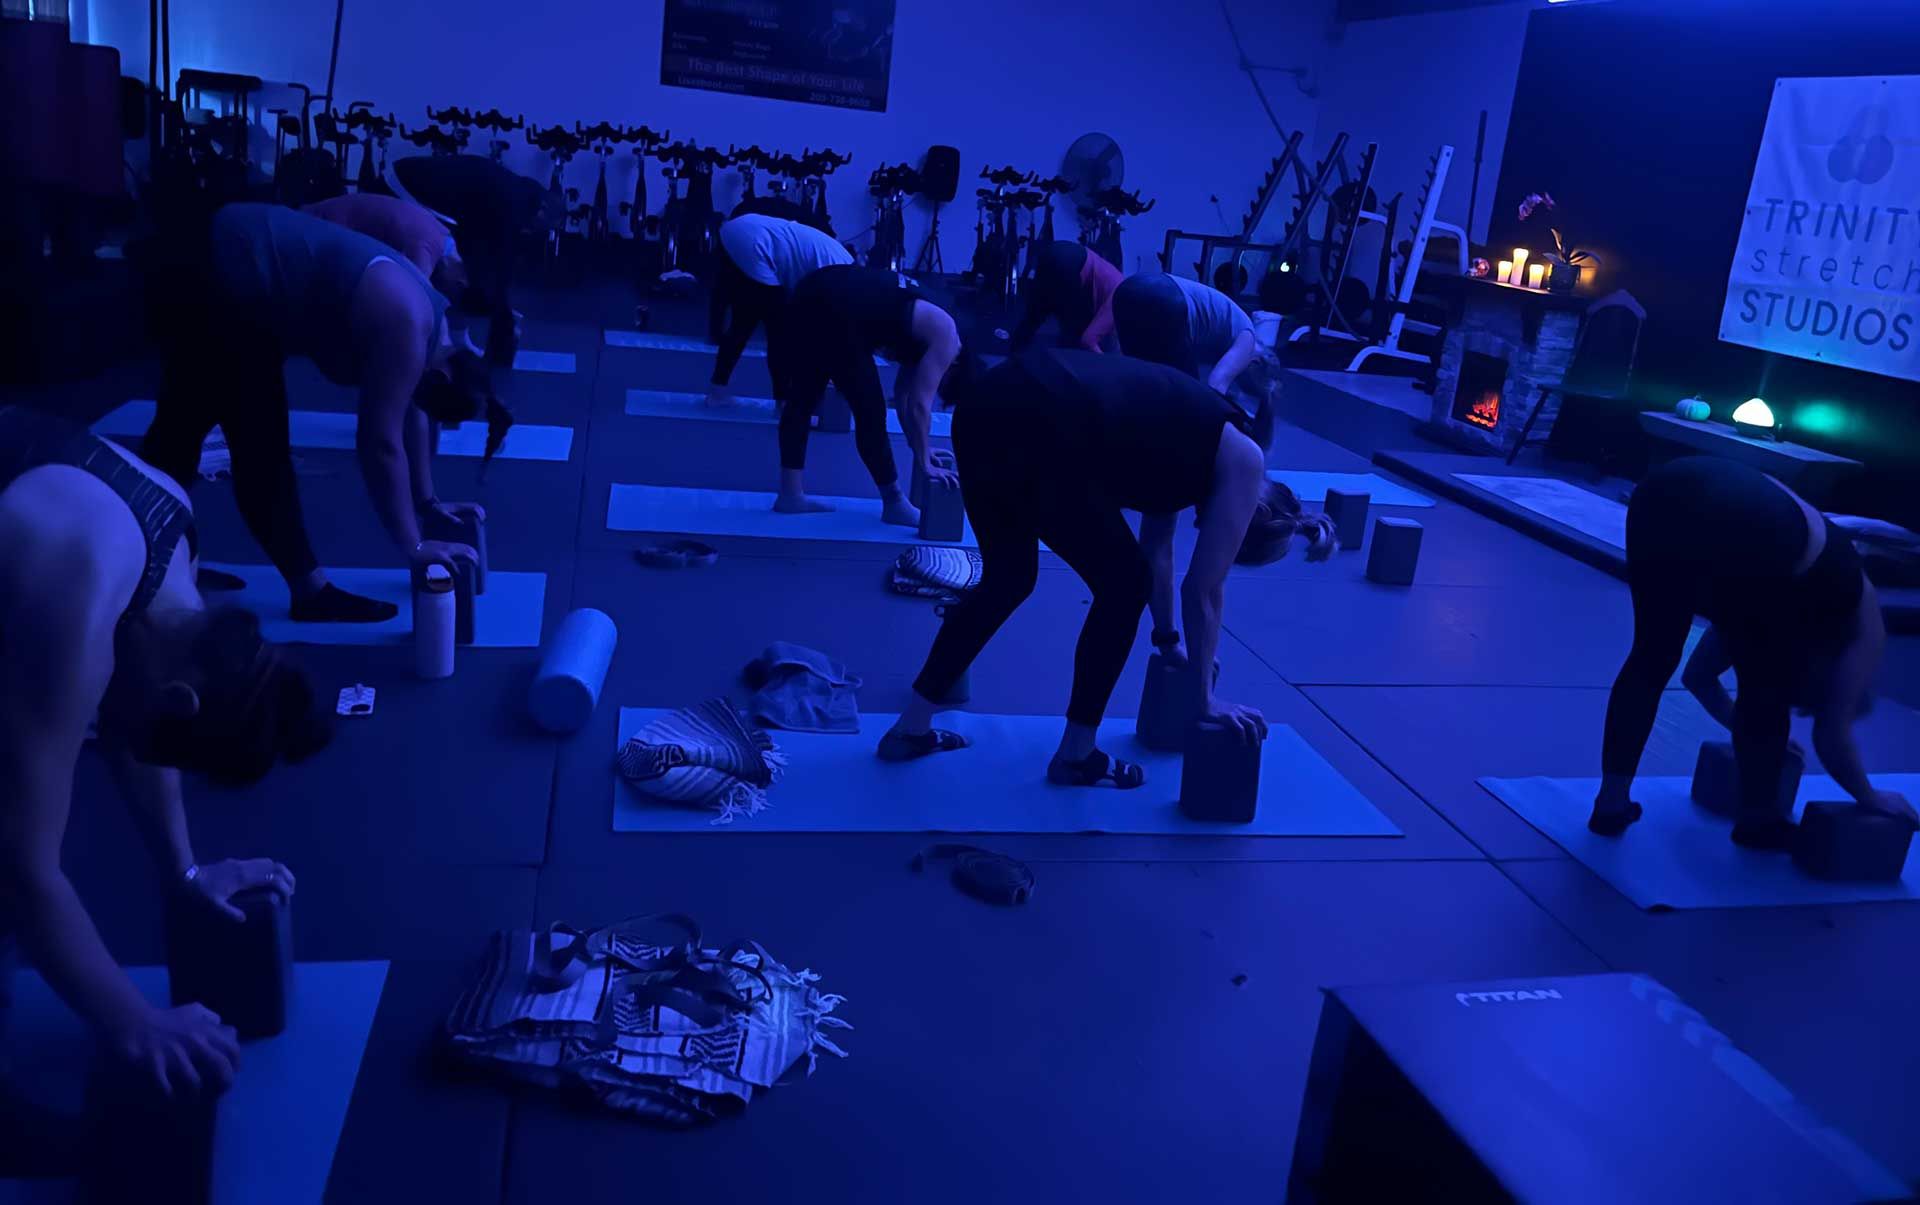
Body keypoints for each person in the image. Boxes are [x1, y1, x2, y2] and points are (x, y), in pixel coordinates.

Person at [0, 404, 323, 1098]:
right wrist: (132, 1021)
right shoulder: (75, 600)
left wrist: (184, 872)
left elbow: (140, 732)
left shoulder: (168, 541)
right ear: (179, 699)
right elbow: (24, 868)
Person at [878, 349, 1334, 787]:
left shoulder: (1195, 437)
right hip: (1044, 419)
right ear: (1253, 514)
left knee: (1010, 578)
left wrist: (1167, 640)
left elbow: (1158, 549)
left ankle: (910, 729)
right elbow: (1204, 589)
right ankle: (1077, 755)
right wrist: (1205, 699)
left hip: (990, 403)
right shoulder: (1244, 461)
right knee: (1123, 584)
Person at [142, 202, 492, 624]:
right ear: (437, 379)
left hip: (219, 259)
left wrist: (427, 501)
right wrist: (413, 547)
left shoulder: (431, 323)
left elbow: (410, 418)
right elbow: (380, 443)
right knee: (258, 442)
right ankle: (307, 590)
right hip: (221, 274)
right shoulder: (407, 329)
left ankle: (159, 562)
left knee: (179, 435)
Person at [1594, 456, 1911, 844]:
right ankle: (1760, 821)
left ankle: (1610, 803)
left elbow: (1699, 678)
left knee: (1651, 657)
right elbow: (1831, 732)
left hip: (1663, 487)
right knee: (1764, 689)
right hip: (1751, 521)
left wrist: (1740, 727)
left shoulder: (1784, 597)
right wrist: (1870, 796)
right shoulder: (1862, 621)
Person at [775, 265, 963, 525]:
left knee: (803, 399)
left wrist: (919, 447)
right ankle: (894, 502)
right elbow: (920, 405)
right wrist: (924, 461)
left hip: (813, 291)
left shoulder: (925, 323)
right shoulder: (948, 340)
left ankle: (790, 494)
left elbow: (903, 398)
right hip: (838, 309)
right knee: (871, 412)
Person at [386, 153, 559, 367]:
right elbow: (501, 260)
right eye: (538, 228)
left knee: (464, 268)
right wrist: (501, 311)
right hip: (405, 186)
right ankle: (426, 342)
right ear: (541, 211)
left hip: (420, 184)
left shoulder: (517, 193)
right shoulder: (512, 204)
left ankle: (456, 338)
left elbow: (487, 248)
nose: (531, 232)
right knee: (448, 268)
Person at [706, 212, 853, 407]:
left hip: (740, 229)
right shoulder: (842, 275)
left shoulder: (840, 261)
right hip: (752, 243)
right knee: (776, 332)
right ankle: (782, 402)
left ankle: (717, 392)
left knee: (743, 324)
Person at [1111, 271, 1259, 397]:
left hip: (1128, 289)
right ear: (1258, 360)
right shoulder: (1248, 341)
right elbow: (1216, 385)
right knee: (1188, 394)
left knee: (1138, 381)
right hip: (1164, 297)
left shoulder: (1228, 326)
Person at [1008, 241, 1123, 354]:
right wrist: (1106, 364)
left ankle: (1012, 358)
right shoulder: (1118, 300)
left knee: (1034, 317)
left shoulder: (1121, 284)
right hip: (1072, 265)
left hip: (1055, 250)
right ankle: (1064, 367)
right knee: (1074, 331)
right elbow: (1088, 341)